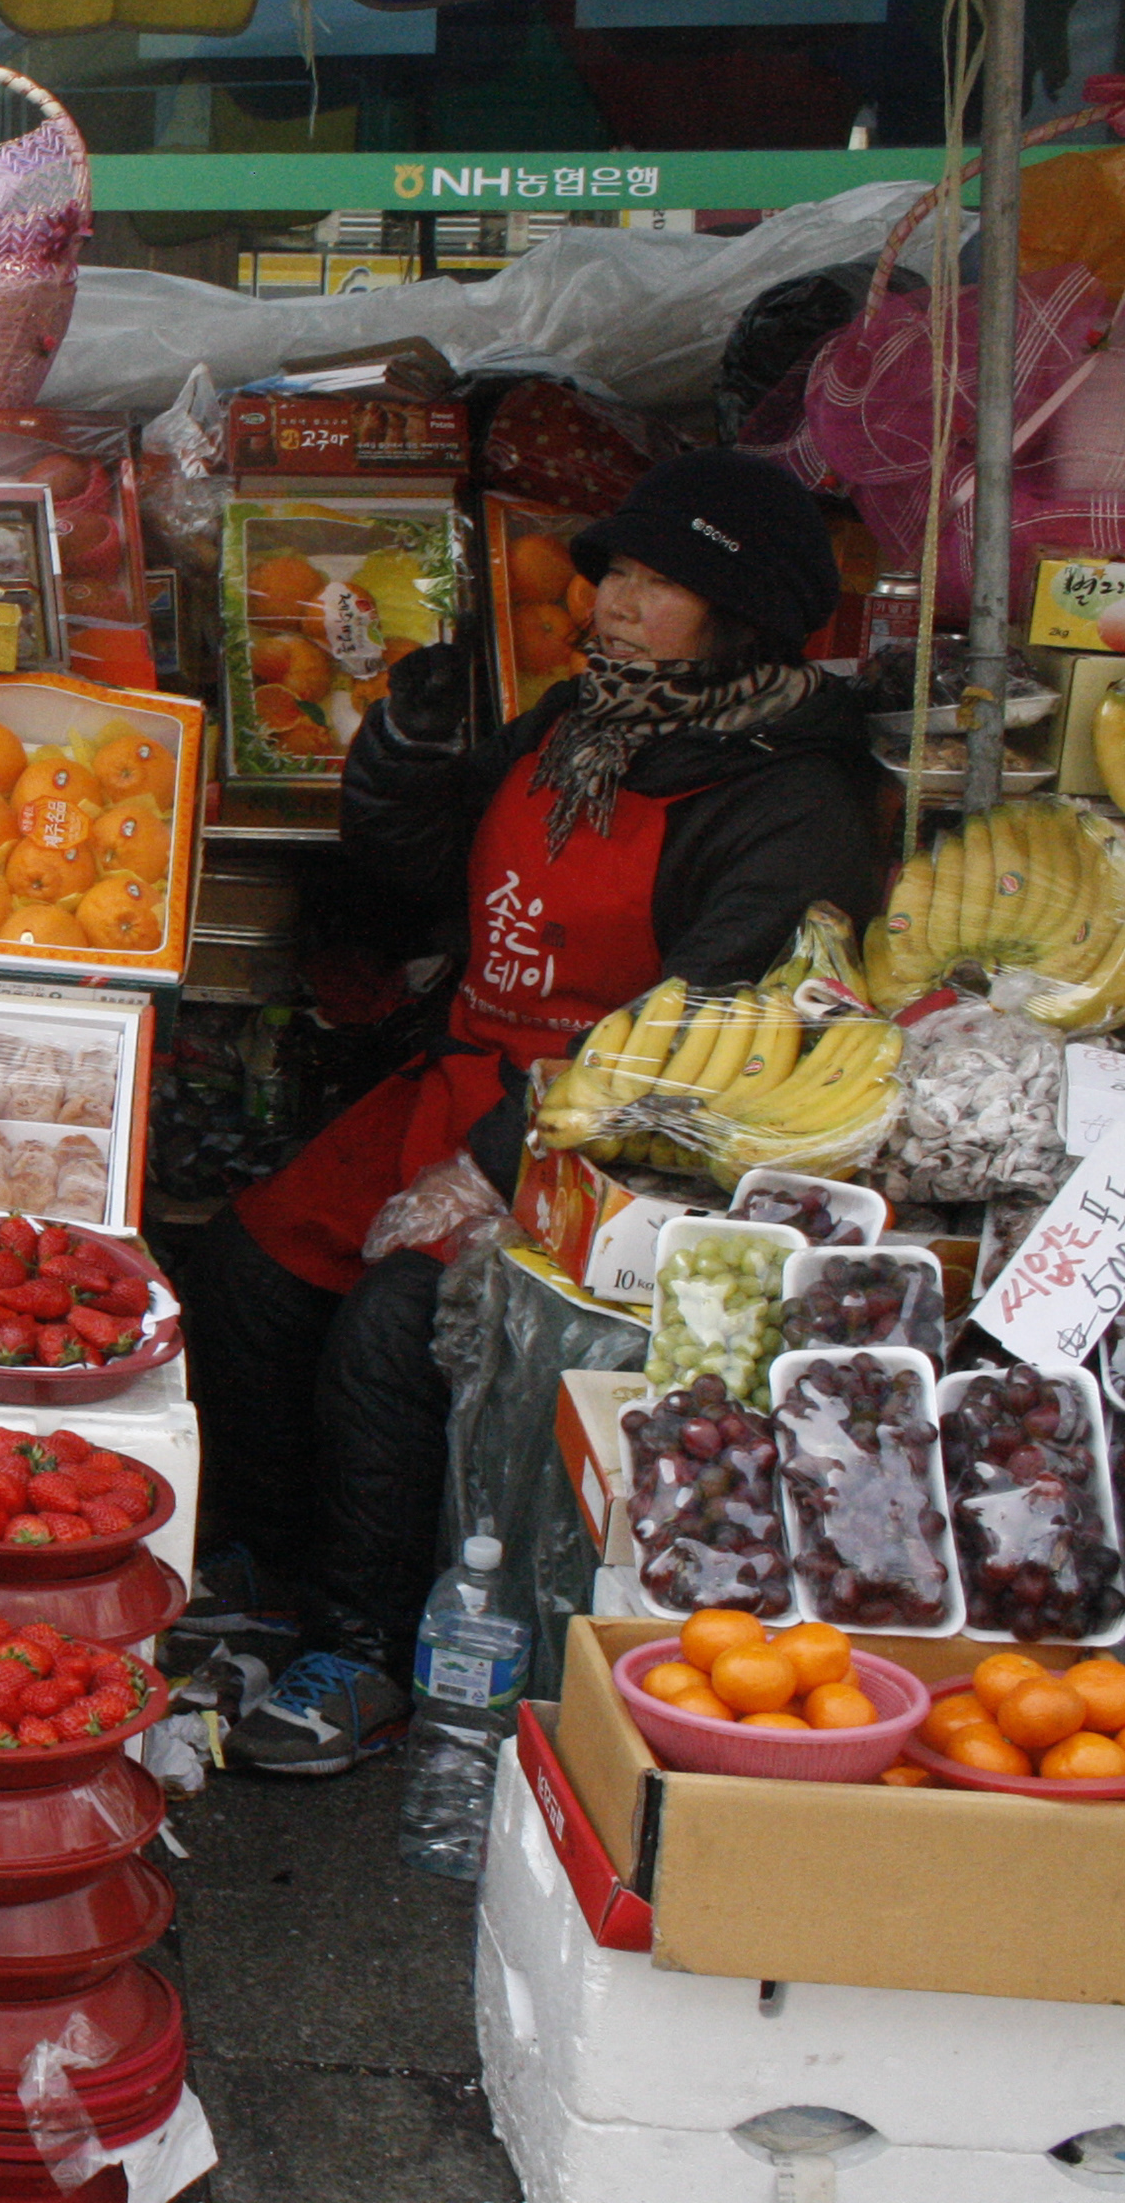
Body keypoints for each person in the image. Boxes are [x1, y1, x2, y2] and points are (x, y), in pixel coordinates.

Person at [185, 449, 878, 1775]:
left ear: (739, 617)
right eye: (615, 568)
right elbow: (426, 882)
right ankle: (270, 1580)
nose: (615, 598)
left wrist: (497, 1164)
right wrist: (402, 749)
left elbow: (709, 1023)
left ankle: (371, 1652)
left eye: (660, 581)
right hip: (461, 1080)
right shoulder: (583, 720)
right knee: (247, 1269)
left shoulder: (795, 796)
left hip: (620, 1146)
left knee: (400, 1323)